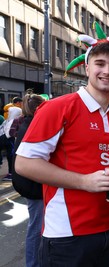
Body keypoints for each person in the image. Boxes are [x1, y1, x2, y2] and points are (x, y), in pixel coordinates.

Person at [14, 41, 109, 267]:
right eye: (100, 64)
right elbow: (23, 164)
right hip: (67, 235)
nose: (107, 71)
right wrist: (84, 181)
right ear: (87, 68)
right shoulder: (59, 107)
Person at [11, 93, 45, 267]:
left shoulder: (27, 122)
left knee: (37, 225)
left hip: (27, 183)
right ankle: (33, 263)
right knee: (37, 227)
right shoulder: (33, 125)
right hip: (31, 184)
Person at [1, 106, 22, 181]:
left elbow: (11, 133)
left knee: (11, 157)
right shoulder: (11, 120)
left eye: (9, 112)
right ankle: (11, 173)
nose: (8, 113)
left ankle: (11, 173)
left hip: (11, 141)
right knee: (10, 157)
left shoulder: (14, 120)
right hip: (10, 141)